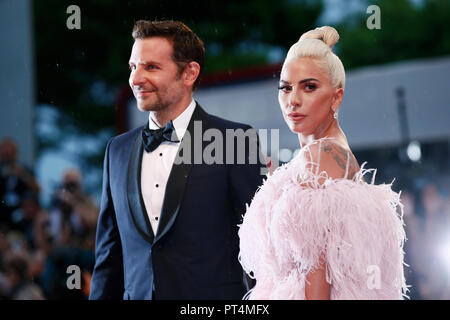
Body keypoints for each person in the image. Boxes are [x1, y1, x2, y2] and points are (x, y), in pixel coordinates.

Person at [89, 20, 265, 300]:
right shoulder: (117, 150)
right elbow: (108, 259)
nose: (135, 79)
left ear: (189, 73)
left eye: (151, 67)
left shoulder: (235, 139)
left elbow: (261, 248)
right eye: (133, 67)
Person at [238, 26, 408, 300]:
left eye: (309, 87)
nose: (293, 100)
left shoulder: (322, 156)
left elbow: (318, 273)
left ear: (336, 96)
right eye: (285, 88)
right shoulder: (326, 154)